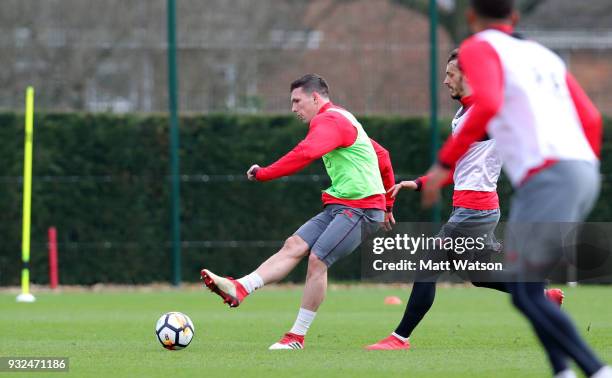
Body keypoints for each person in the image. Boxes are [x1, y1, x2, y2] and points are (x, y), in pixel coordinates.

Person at [421, 1, 610, 377]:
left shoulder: (478, 46)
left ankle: (596, 369)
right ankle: (563, 370)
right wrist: (584, 167)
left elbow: (488, 104)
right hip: (582, 172)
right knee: (526, 289)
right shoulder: (544, 55)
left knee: (524, 291)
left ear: (471, 18)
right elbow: (590, 117)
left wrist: (443, 164)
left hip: (548, 177)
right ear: (516, 17)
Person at [365, 48, 563, 351]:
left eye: (450, 74)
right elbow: (457, 166)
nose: (445, 81)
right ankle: (538, 293)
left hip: (474, 210)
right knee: (478, 275)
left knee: (426, 266)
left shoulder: (484, 113)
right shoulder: (465, 114)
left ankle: (399, 337)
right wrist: (417, 183)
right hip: (476, 208)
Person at [200, 73, 397, 350]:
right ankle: (240, 287)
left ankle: (296, 337)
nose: (293, 108)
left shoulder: (330, 120)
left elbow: (305, 153)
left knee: (317, 259)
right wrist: (389, 204)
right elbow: (383, 156)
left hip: (362, 209)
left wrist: (265, 173)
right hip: (343, 205)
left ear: (315, 98)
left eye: (297, 101)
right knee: (293, 245)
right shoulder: (344, 118)